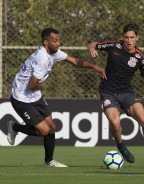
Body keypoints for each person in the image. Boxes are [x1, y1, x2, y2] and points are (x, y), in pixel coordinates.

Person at [7, 27, 106, 167]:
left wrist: (97, 67)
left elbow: (75, 61)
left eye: (58, 40)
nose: (58, 43)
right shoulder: (41, 58)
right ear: (46, 42)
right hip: (21, 98)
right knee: (44, 131)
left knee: (52, 127)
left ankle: (49, 161)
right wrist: (41, 82)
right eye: (55, 41)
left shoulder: (54, 53)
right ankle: (15, 127)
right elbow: (32, 85)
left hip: (34, 95)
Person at [87, 23, 144, 163]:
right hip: (108, 92)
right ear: (123, 37)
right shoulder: (114, 46)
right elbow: (92, 43)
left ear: (137, 38)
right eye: (126, 37)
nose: (129, 41)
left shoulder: (140, 58)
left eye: (132, 37)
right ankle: (121, 146)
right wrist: (91, 48)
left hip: (126, 93)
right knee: (114, 122)